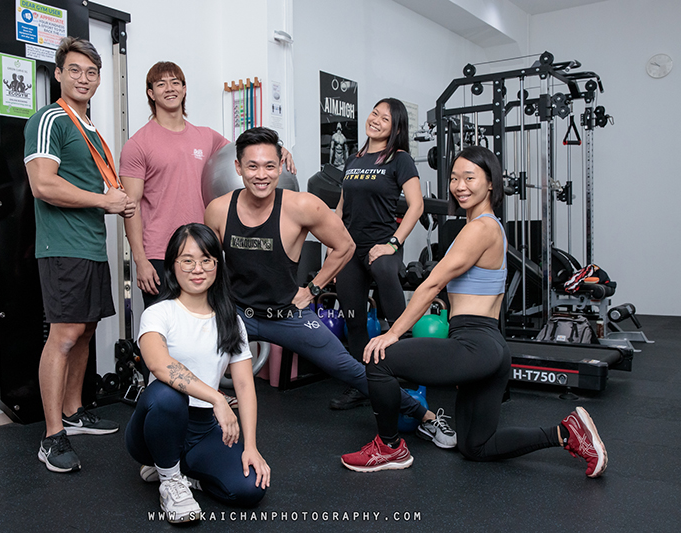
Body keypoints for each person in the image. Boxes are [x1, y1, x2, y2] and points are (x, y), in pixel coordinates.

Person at [341, 146, 607, 478]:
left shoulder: (479, 228)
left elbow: (430, 285)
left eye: (470, 177)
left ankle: (388, 448)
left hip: (474, 346)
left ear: (491, 183)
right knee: (476, 446)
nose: (459, 186)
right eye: (454, 178)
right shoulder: (486, 226)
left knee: (378, 358)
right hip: (490, 348)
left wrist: (393, 333)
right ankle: (567, 433)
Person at [205, 127, 455, 448]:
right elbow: (208, 263)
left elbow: (345, 246)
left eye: (269, 166)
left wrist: (312, 288)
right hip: (237, 313)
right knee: (188, 358)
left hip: (287, 315)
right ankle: (172, 447)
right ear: (238, 167)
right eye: (252, 166)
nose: (261, 175)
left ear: (280, 167)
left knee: (352, 370)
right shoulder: (218, 210)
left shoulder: (302, 206)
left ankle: (427, 417)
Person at [24, 37, 135, 473]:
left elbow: (97, 189)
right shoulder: (50, 119)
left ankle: (73, 412)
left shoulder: (90, 130)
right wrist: (102, 200)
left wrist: (115, 199)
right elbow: (43, 185)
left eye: (91, 72)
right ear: (59, 74)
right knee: (64, 335)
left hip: (89, 247)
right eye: (75, 70)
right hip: (62, 247)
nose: (84, 79)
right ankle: (52, 437)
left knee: (85, 331)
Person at [119, 61, 295, 309]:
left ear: (184, 89)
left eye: (175, 82)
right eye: (161, 84)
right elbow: (131, 205)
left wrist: (278, 149)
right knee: (163, 332)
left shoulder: (207, 137)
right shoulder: (137, 144)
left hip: (204, 249)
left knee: (204, 327)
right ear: (151, 93)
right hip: (160, 253)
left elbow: (248, 153)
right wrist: (140, 260)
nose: (169, 89)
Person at [125, 223, 269, 524]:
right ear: (172, 266)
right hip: (154, 424)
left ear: (217, 264)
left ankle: (181, 474)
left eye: (206, 260)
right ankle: (169, 478)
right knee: (168, 394)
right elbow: (158, 363)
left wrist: (252, 447)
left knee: (250, 489)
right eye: (187, 260)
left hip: (203, 430)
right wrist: (217, 398)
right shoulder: (159, 313)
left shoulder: (231, 320)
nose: (197, 268)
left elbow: (244, 385)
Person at [333, 98, 425, 420]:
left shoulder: (400, 160)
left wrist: (393, 243)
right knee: (354, 321)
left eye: (384, 118)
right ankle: (362, 385)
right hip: (350, 247)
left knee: (391, 294)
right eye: (374, 113)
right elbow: (340, 209)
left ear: (395, 127)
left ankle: (411, 376)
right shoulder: (354, 159)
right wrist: (334, 245)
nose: (376, 120)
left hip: (381, 245)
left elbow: (416, 205)